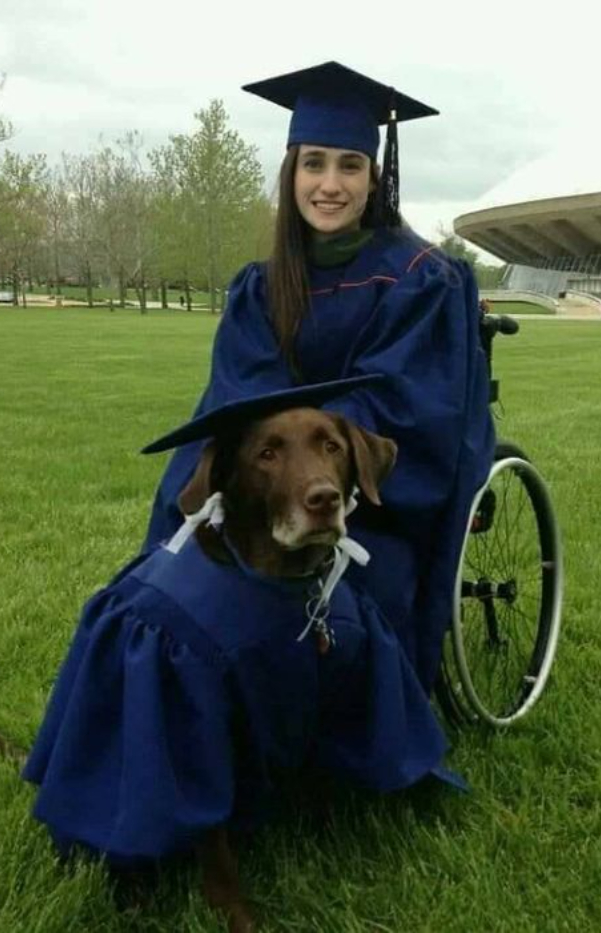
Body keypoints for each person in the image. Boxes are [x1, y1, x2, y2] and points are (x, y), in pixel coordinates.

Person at [144, 61, 495, 694]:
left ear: (374, 177)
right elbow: (240, 394)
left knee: (366, 588)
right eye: (313, 164)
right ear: (291, 173)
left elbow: (405, 402)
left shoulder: (421, 276)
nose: (329, 184)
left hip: (365, 495)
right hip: (271, 487)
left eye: (349, 165)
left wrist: (317, 459)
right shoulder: (261, 285)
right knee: (177, 573)